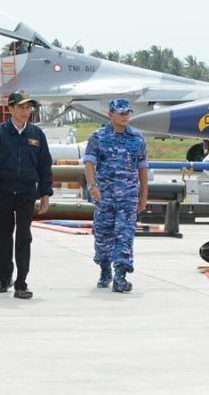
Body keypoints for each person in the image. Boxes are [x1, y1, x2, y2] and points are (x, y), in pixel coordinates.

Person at [0, 90, 52, 299]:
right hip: (3, 192)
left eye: (29, 107)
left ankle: (21, 282)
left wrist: (45, 193)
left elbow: (45, 165)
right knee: (3, 236)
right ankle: (4, 278)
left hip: (27, 193)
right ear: (10, 109)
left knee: (24, 237)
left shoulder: (37, 134)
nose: (26, 111)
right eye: (21, 107)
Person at [83, 98, 148, 292]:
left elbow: (143, 169)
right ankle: (105, 268)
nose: (125, 116)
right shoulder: (98, 137)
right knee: (103, 236)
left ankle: (121, 275)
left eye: (127, 112)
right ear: (110, 114)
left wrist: (143, 195)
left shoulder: (137, 139)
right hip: (105, 197)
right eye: (121, 113)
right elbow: (89, 163)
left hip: (128, 198)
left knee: (125, 235)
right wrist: (93, 186)